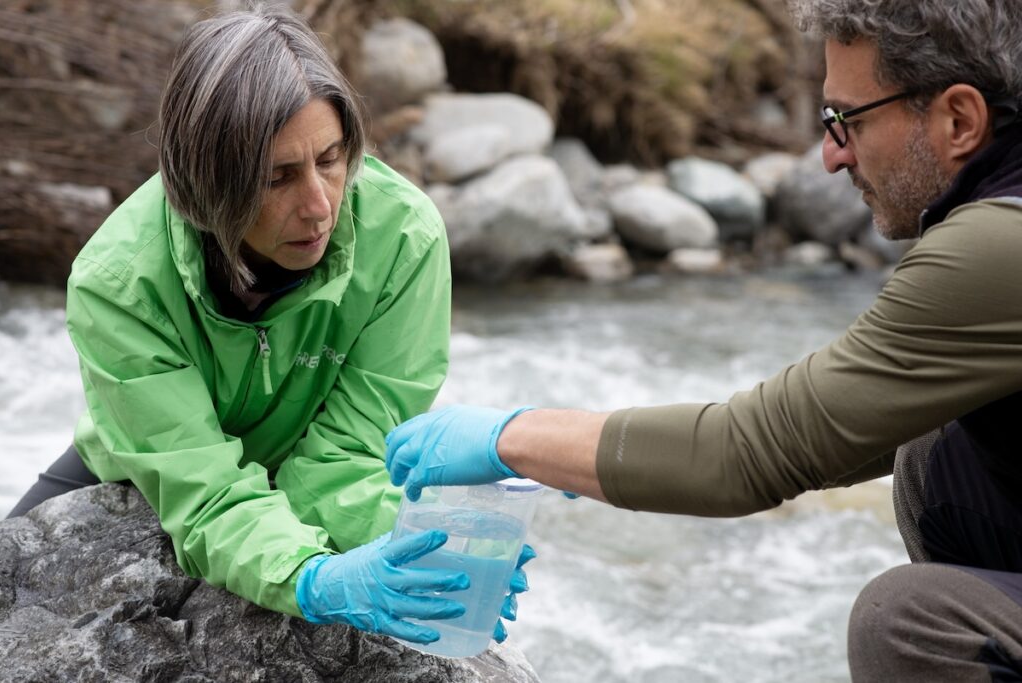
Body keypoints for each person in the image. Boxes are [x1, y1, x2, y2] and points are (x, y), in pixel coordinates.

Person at [384, 0, 1022, 679]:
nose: (832, 155)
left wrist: (512, 438)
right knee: (931, 451)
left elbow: (749, 452)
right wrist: (579, 451)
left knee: (908, 620)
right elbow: (823, 434)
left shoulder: (997, 249)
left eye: (847, 120)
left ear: (959, 119)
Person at [7, 5, 530, 647]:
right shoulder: (119, 282)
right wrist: (311, 579)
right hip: (147, 461)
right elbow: (202, 493)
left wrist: (428, 537)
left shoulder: (404, 239)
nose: (319, 206)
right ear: (208, 179)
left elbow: (348, 453)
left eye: (332, 160)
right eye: (277, 177)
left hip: (311, 451)